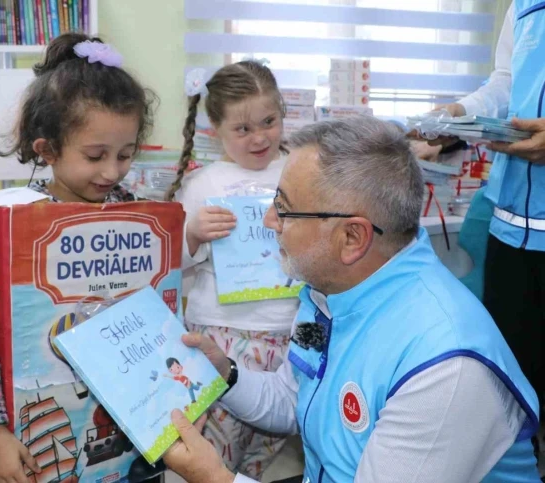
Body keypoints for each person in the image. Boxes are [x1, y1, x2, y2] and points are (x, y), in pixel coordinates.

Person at [162, 117, 540, 483]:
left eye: (285, 207)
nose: (268, 221)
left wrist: (216, 480)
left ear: (352, 239)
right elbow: (293, 402)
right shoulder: (329, 290)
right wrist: (226, 373)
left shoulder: (445, 366)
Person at [0, 33, 158, 483]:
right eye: (95, 156)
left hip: (133, 420)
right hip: (45, 421)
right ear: (46, 150)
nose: (112, 171)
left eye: (126, 154)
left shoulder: (135, 211)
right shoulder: (17, 222)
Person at [165, 61, 297, 480]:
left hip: (289, 334)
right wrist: (193, 234)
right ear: (214, 130)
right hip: (222, 333)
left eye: (269, 122)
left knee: (264, 451)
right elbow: (175, 265)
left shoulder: (299, 172)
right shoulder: (204, 183)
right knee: (212, 450)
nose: (260, 137)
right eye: (242, 129)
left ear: (282, 114)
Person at [432, 2, 545, 429]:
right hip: (510, 232)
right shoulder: (524, 5)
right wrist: (460, 113)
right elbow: (506, 83)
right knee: (509, 394)